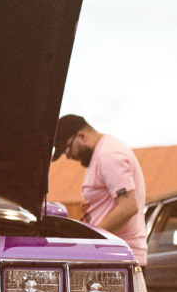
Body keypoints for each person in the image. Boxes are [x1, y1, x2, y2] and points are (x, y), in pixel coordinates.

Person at [53, 114, 148, 265]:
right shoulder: (102, 153)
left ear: (81, 136)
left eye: (67, 149)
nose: (69, 156)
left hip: (120, 257)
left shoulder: (108, 155)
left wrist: (89, 238)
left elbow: (128, 206)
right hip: (112, 254)